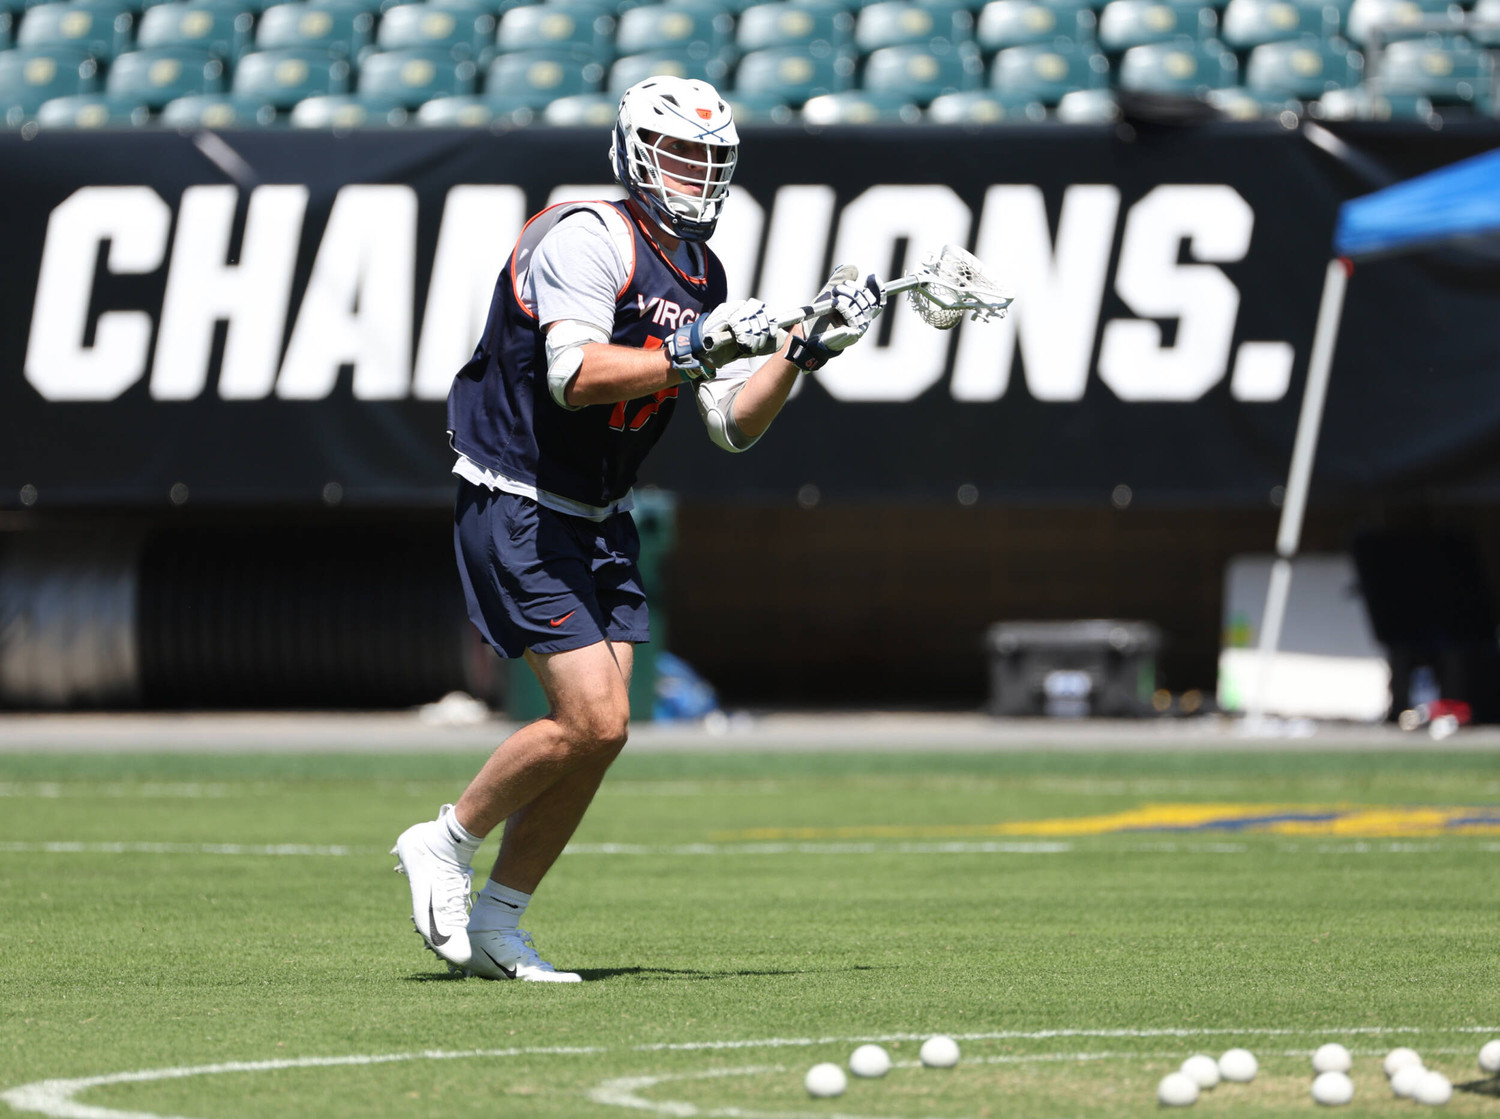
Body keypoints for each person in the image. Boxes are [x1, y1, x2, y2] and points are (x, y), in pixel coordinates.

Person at [393, 75, 882, 982]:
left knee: (606, 732)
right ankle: (444, 839)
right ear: (633, 153)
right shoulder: (586, 234)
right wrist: (699, 347)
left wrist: (797, 353)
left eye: (710, 161)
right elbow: (573, 374)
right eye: (678, 155)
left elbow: (732, 424)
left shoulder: (706, 273)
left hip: (601, 512)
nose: (694, 177)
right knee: (594, 712)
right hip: (520, 493)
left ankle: (501, 917)